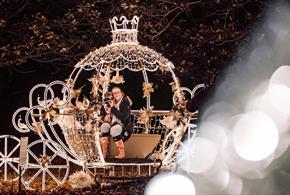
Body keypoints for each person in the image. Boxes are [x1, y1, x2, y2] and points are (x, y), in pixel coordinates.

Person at [99, 86, 133, 159]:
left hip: (124, 127)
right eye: (114, 93)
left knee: (115, 129)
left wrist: (112, 109)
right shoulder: (109, 102)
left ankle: (122, 153)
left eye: (118, 92)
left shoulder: (126, 102)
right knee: (104, 126)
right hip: (112, 124)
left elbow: (123, 117)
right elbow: (103, 117)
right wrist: (107, 114)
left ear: (121, 93)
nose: (116, 94)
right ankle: (105, 152)